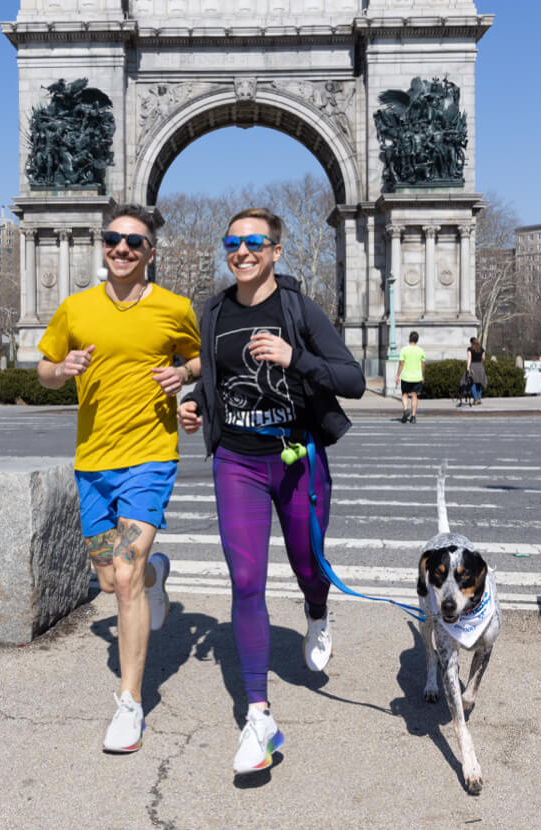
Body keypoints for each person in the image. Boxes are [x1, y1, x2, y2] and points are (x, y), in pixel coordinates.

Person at [178, 207, 365, 774]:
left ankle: (316, 609)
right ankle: (259, 717)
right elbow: (216, 382)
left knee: (309, 565)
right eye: (233, 242)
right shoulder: (212, 312)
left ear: (275, 251)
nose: (243, 250)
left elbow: (352, 379)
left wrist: (294, 357)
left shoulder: (295, 307)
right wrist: (195, 407)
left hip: (297, 458)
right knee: (245, 580)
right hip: (237, 460)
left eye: (255, 241)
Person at [37, 203, 200, 754]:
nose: (123, 249)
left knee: (122, 581)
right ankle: (155, 573)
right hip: (93, 465)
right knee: (110, 578)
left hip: (149, 460)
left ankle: (130, 705)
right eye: (114, 239)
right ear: (103, 245)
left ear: (150, 252)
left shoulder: (174, 309)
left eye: (135, 242)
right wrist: (61, 371)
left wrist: (184, 373)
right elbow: (45, 369)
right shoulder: (75, 308)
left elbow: (201, 361)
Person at [395, 331, 425, 423]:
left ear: (409, 339)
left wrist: (397, 375)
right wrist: (423, 375)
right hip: (417, 377)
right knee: (414, 395)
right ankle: (413, 416)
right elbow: (423, 364)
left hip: (406, 377)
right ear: (417, 340)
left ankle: (405, 409)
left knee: (404, 394)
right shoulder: (420, 350)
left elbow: (401, 363)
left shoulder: (404, 350)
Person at [467, 336, 488, 404]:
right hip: (480, 366)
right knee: (479, 383)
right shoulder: (482, 349)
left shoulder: (470, 349)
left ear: (471, 342)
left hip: (473, 366)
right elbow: (483, 358)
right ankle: (479, 398)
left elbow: (469, 358)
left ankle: (475, 399)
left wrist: (468, 367)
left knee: (472, 383)